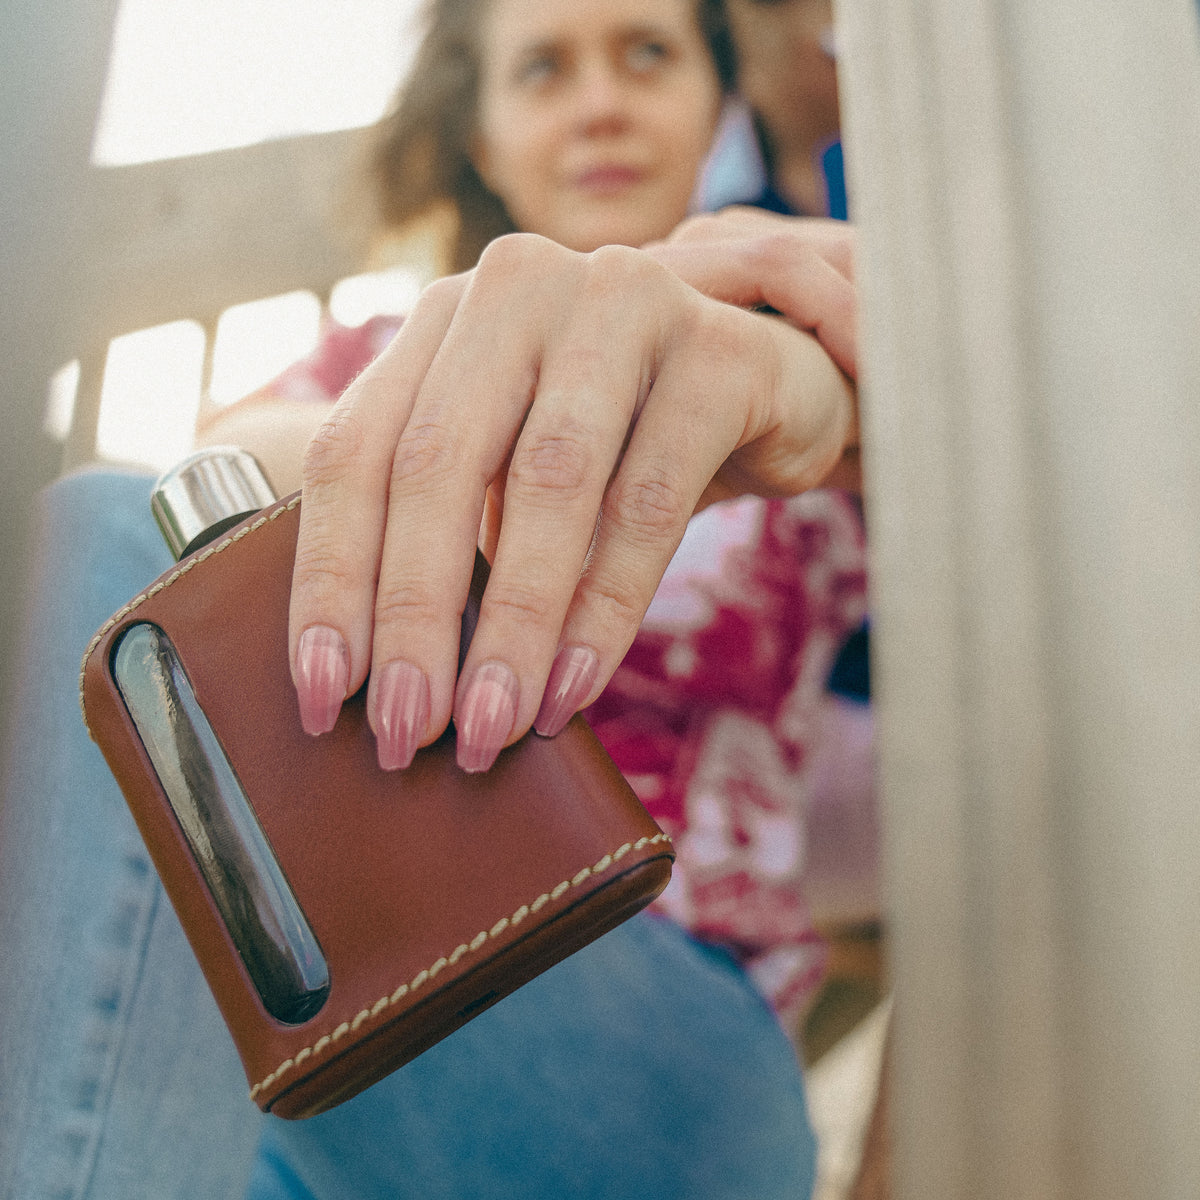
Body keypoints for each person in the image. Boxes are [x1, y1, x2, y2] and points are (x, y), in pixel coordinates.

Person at [0, 4, 863, 1200]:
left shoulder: (792, 333)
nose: (601, 101)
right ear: (483, 137)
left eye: (649, 53)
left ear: (720, 104)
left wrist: (794, 376)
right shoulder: (368, 359)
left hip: (663, 1027)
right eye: (545, 68)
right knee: (113, 572)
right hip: (338, 1027)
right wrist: (423, 440)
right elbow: (201, 479)